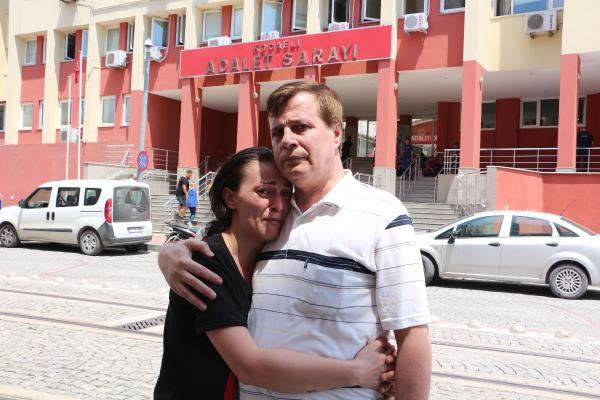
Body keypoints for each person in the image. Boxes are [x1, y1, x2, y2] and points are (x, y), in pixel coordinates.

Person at [158, 81, 432, 399]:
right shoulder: (271, 218)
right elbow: (217, 247)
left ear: (336, 133)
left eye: (301, 127)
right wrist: (169, 254)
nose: (287, 140)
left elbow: (413, 334)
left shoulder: (382, 214)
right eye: (278, 132)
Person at [154, 147, 395, 399]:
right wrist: (359, 372)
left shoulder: (267, 257)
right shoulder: (208, 261)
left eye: (286, 193)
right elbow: (250, 366)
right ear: (230, 198)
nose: (279, 205)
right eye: (264, 191)